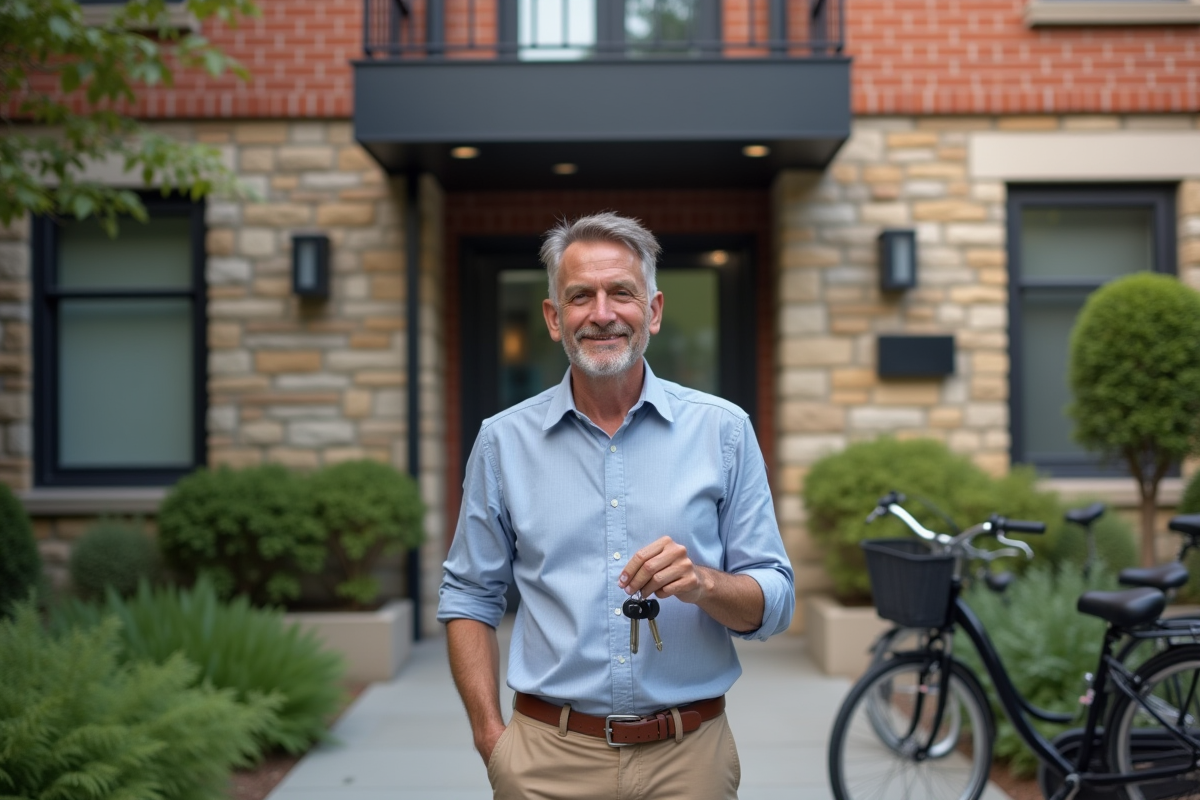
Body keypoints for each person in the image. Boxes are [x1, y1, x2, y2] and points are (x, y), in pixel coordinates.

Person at [438, 212, 794, 800]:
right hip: (544, 761)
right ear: (555, 318)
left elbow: (775, 600)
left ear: (651, 311)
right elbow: (468, 595)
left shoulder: (724, 432)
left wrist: (703, 582)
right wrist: (490, 740)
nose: (602, 313)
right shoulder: (502, 441)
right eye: (581, 296)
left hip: (690, 760)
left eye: (621, 293)